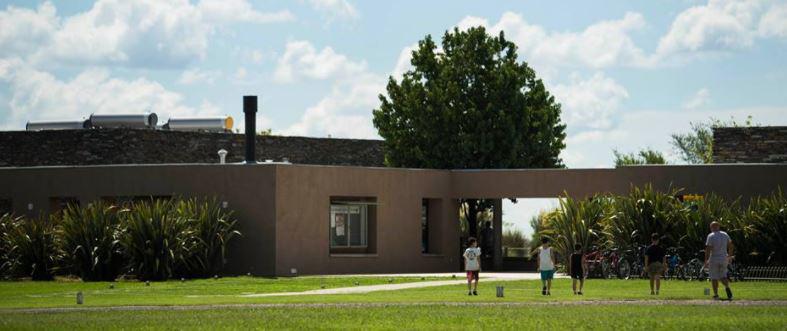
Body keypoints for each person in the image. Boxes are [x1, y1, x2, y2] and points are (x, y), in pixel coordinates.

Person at [705, 221, 734, 300]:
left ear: (712, 228)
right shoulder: (725, 234)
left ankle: (716, 295)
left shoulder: (711, 236)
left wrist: (706, 260)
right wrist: (730, 256)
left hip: (714, 258)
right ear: (718, 227)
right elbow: (731, 245)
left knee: (714, 277)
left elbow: (708, 249)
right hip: (724, 258)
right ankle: (727, 287)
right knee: (723, 276)